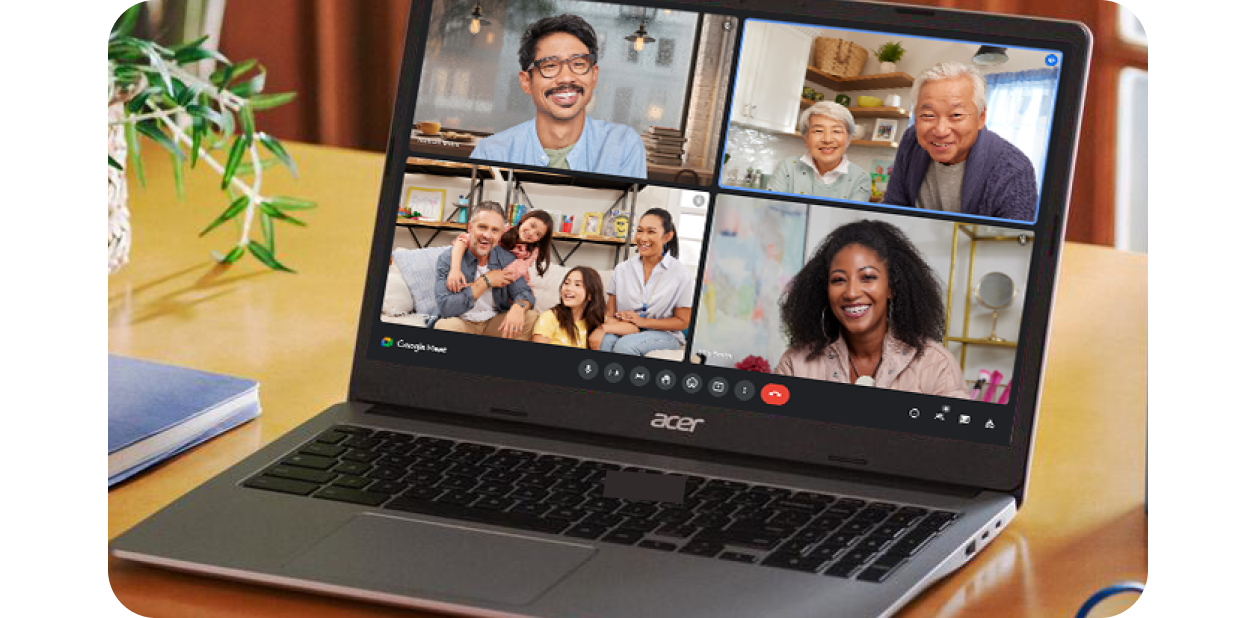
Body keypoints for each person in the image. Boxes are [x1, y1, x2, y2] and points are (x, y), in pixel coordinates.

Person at [774, 219, 968, 398]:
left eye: (867, 277)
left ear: (891, 287)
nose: (851, 293)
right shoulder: (795, 364)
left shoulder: (936, 364)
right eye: (838, 280)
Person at [469, 14, 647, 179]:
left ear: (594, 76)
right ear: (526, 82)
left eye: (578, 64)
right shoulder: (490, 153)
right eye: (550, 66)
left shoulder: (624, 146)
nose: (566, 78)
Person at [883, 61, 1038, 222]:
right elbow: (893, 207)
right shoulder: (911, 140)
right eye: (928, 115)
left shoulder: (1014, 170)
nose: (941, 131)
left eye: (956, 115)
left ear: (981, 117)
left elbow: (1012, 243)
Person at [589, 208, 694, 356]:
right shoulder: (622, 269)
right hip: (626, 327)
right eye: (640, 231)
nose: (643, 238)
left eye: (651, 232)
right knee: (605, 341)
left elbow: (682, 322)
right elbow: (610, 314)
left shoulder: (681, 274)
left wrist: (643, 322)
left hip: (665, 334)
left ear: (667, 236)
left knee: (625, 346)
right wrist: (604, 328)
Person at [433, 201, 538, 339]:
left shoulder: (506, 258)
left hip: (494, 322)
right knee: (444, 327)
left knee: (531, 317)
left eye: (494, 230)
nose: (487, 235)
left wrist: (519, 307)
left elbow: (524, 292)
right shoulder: (449, 259)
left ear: (500, 234)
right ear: (470, 227)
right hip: (462, 322)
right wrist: (485, 282)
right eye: (482, 227)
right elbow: (446, 307)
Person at [768, 101, 871, 201]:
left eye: (836, 131)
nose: (827, 139)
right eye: (818, 131)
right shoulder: (787, 168)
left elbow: (852, 217)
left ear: (849, 140)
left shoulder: (860, 178)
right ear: (805, 139)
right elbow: (771, 209)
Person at [446, 209, 553, 293]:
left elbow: (513, 272)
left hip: (508, 285)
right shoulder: (504, 230)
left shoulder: (532, 251)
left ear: (540, 239)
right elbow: (464, 239)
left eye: (538, 234)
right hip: (485, 274)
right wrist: (455, 269)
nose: (531, 233)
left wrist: (481, 283)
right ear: (524, 219)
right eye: (532, 225)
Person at [532, 266, 606, 349]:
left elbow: (622, 327)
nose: (568, 288)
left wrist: (603, 329)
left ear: (590, 295)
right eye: (566, 283)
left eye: (577, 285)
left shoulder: (597, 320)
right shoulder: (549, 318)